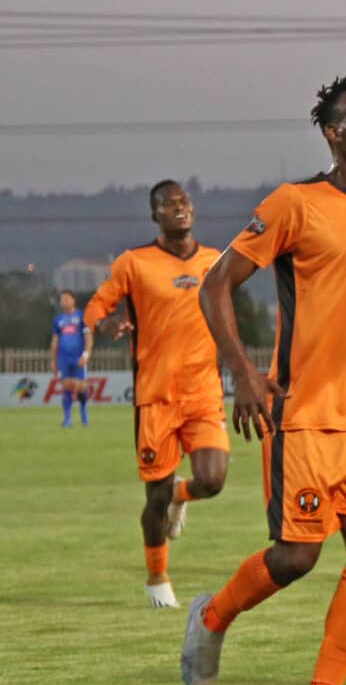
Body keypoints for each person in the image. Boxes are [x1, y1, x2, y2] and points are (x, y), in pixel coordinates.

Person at [179, 74, 346, 685]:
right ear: (335, 133)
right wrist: (244, 371)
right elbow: (217, 283)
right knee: (296, 556)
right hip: (304, 411)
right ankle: (214, 615)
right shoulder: (295, 203)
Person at [83, 180, 228, 609]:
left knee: (213, 480)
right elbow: (95, 306)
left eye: (184, 201)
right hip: (156, 395)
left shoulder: (214, 261)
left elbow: (226, 318)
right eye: (168, 204)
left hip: (203, 392)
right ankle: (157, 577)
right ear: (155, 216)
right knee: (155, 497)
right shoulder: (134, 263)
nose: (178, 208)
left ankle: (186, 494)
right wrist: (105, 323)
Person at [51, 291, 90, 427]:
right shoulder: (58, 320)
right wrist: (53, 360)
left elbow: (88, 337)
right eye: (62, 299)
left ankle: (83, 410)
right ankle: (67, 419)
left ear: (73, 300)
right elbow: (55, 341)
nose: (64, 301)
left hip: (78, 357)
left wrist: (86, 355)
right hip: (63, 358)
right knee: (66, 386)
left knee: (81, 387)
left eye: (67, 299)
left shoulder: (81, 316)